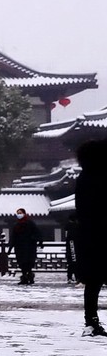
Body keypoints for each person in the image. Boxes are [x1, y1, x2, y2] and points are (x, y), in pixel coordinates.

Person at [75, 139, 107, 336]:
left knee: (93, 282)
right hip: (101, 234)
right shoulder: (102, 177)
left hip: (89, 235)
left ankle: (91, 321)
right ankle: (91, 321)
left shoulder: (83, 177)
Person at [8, 208, 43, 285]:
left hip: (29, 246)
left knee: (29, 262)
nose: (19, 215)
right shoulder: (16, 225)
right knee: (22, 263)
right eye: (18, 213)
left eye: (20, 213)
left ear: (24, 213)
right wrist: (10, 248)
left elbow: (37, 232)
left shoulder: (30, 223)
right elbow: (13, 237)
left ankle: (30, 276)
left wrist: (39, 241)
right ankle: (24, 277)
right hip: (19, 247)